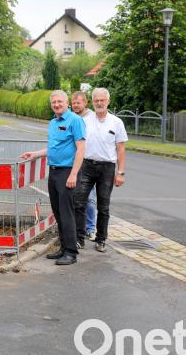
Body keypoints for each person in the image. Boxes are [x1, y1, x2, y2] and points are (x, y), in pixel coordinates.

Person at [20, 90, 85, 265]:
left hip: (67, 172)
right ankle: (63, 248)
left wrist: (73, 174)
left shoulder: (76, 121)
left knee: (67, 212)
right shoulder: (53, 122)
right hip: (54, 171)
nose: (56, 104)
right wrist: (36, 154)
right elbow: (54, 148)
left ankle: (71, 252)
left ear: (67, 103)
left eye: (60, 102)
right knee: (58, 212)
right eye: (53, 102)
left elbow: (81, 149)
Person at [73, 88, 128, 252]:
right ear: (92, 101)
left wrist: (121, 172)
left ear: (108, 102)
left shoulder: (116, 122)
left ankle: (101, 239)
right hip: (87, 166)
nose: (99, 103)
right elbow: (77, 144)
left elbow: (121, 148)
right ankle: (79, 238)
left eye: (102, 100)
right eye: (96, 100)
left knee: (103, 206)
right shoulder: (85, 121)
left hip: (107, 168)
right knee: (79, 202)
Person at [71, 91, 98, 242]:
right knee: (74, 197)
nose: (75, 105)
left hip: (87, 161)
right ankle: (76, 227)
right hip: (73, 161)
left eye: (78, 103)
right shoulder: (70, 117)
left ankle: (90, 228)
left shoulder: (92, 118)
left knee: (89, 198)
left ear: (85, 103)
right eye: (73, 103)